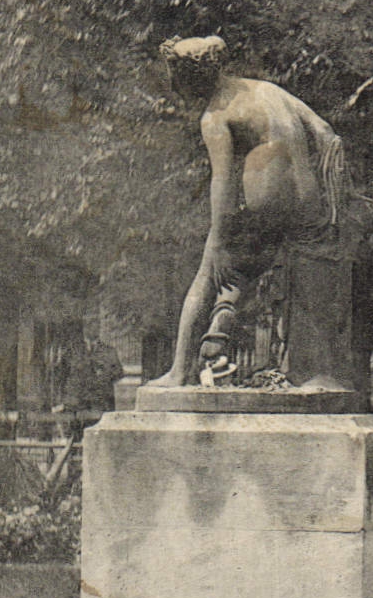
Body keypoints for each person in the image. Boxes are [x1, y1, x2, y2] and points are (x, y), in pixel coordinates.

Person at [146, 35, 353, 389]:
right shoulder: (270, 90)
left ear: (190, 77)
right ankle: (315, 374)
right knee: (309, 282)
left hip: (266, 210)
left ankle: (181, 371)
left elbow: (223, 184)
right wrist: (334, 199)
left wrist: (219, 241)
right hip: (311, 203)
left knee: (210, 274)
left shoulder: (216, 114)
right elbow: (327, 134)